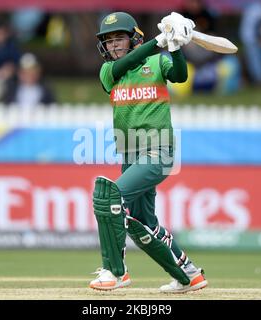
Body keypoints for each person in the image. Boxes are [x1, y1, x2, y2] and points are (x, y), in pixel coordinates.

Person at [89, 12, 207, 293]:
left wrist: (175, 47)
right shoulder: (108, 72)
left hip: (157, 152)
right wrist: (160, 39)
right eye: (108, 41)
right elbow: (128, 62)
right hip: (130, 155)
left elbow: (180, 75)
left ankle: (115, 271)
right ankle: (188, 274)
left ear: (134, 39)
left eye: (119, 38)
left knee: (108, 196)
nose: (114, 46)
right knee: (140, 222)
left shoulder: (157, 61)